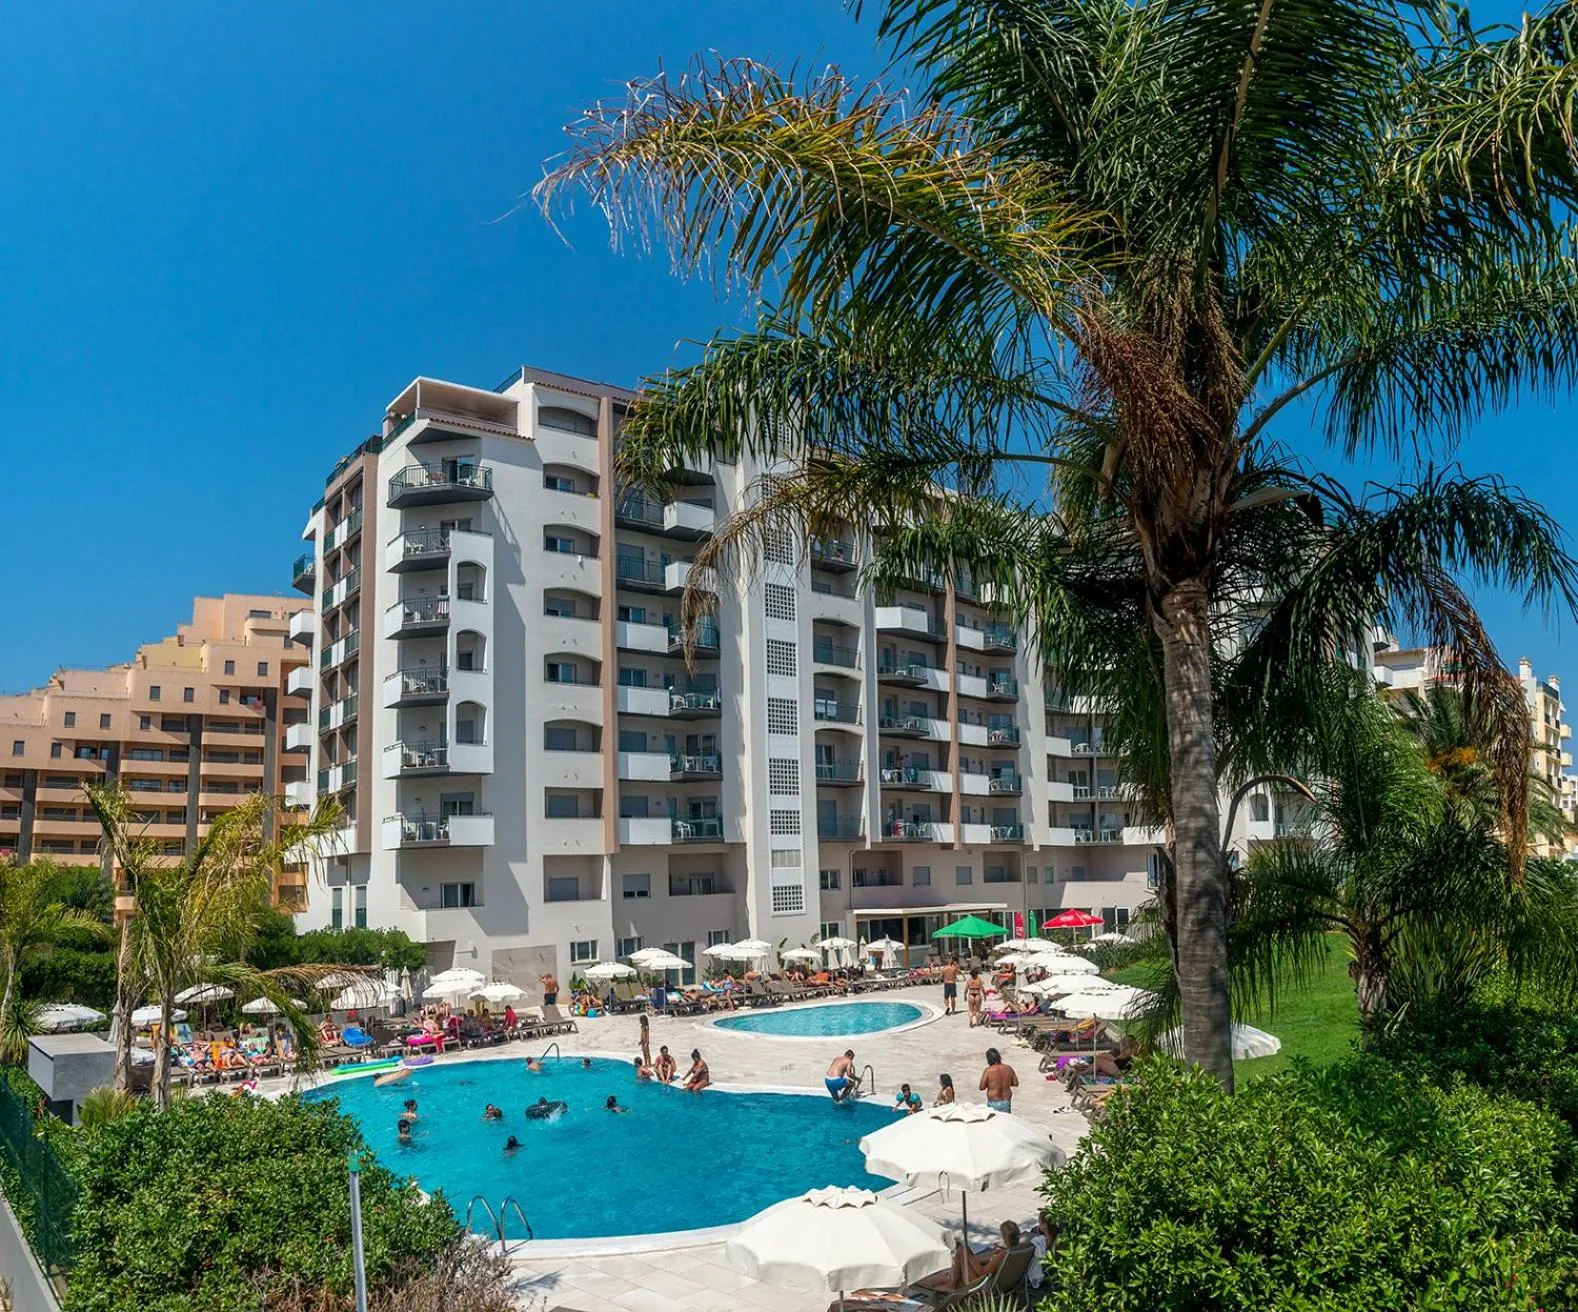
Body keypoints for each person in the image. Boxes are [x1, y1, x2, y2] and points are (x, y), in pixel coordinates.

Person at [913, 1220, 1024, 1294]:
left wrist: (966, 1254)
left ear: (1004, 1238)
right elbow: (979, 1259)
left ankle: (950, 1284)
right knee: (946, 1275)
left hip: (980, 1287)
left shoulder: (1002, 1255)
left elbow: (981, 1271)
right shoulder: (1007, 1252)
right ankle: (914, 1280)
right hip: (982, 1282)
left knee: (962, 1249)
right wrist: (965, 1258)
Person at [979, 1047, 1019, 1113]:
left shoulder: (988, 1071)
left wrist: (992, 1084)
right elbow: (1016, 1083)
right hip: (1006, 1102)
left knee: (994, 1119)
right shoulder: (1009, 1068)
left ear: (989, 1059)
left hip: (993, 1102)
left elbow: (981, 1087)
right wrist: (1006, 1083)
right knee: (1006, 1119)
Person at [1027, 1214, 1058, 1291]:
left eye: (1040, 1222)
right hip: (1050, 1270)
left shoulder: (1041, 1241)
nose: (1038, 1225)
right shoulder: (1055, 1238)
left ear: (1045, 1225)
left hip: (1044, 1271)